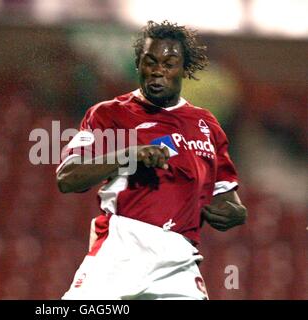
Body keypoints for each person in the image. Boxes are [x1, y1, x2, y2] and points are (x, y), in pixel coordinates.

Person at [56, 20, 247, 300]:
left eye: (169, 63)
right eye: (150, 61)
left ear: (185, 68)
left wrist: (235, 212)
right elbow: (67, 177)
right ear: (138, 64)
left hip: (178, 261)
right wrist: (128, 155)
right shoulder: (108, 114)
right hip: (119, 252)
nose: (158, 70)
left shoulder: (207, 125)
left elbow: (227, 197)